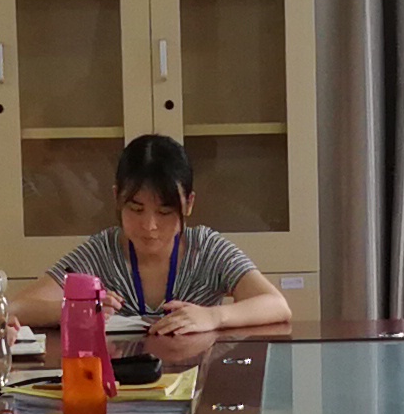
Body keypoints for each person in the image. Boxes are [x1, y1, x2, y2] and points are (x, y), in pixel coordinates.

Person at [40, 133, 292, 371]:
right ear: (117, 198)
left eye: (165, 212)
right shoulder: (101, 251)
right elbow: (22, 307)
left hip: (193, 386)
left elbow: (276, 305)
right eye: (136, 210)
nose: (149, 226)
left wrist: (214, 316)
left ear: (189, 204)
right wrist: (75, 310)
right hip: (122, 389)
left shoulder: (205, 249)